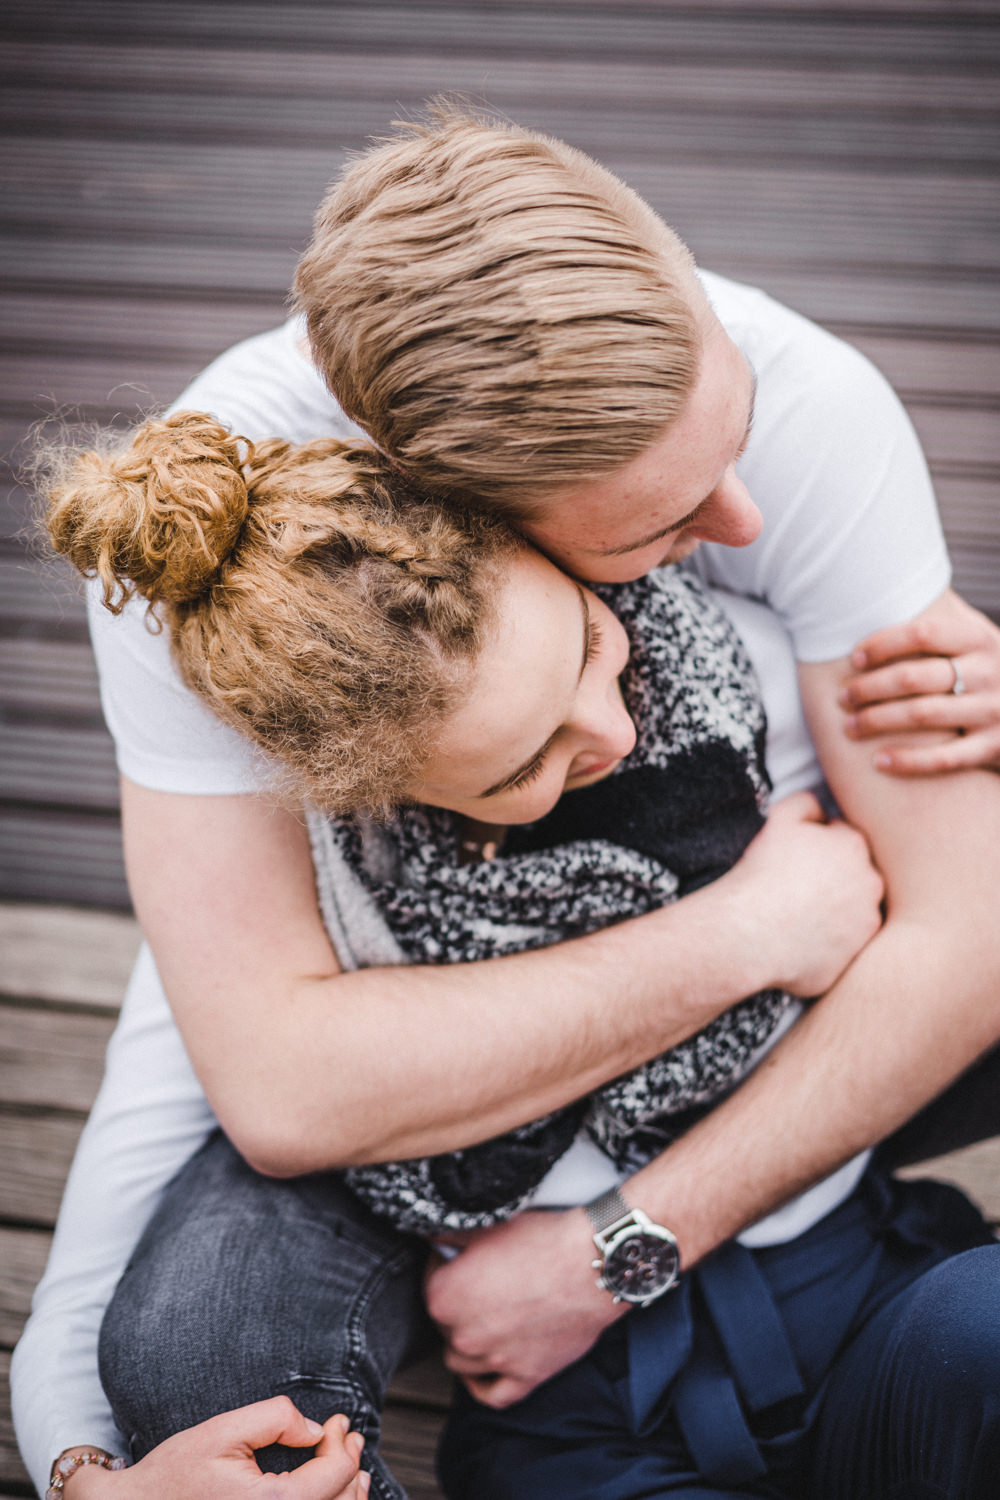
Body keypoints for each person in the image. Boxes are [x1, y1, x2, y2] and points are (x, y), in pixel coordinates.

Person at [12, 107, 1000, 1495]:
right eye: (653, 531)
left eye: (735, 426)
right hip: (453, 1152)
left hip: (795, 1063)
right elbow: (241, 1053)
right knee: (200, 1373)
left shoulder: (804, 415)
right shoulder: (225, 575)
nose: (742, 527)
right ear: (452, 515)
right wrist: (74, 1457)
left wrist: (622, 1244)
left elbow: (966, 932)